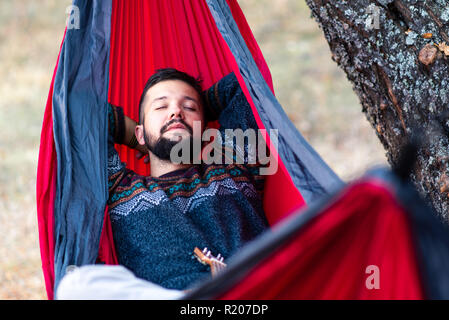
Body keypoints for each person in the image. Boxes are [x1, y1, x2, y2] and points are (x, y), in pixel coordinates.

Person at [56, 68, 270, 299]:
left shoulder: (234, 167)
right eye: (160, 107)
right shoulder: (119, 188)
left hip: (251, 292)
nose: (176, 111)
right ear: (139, 133)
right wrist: (142, 139)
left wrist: (188, 119)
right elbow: (76, 107)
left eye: (188, 107)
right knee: (77, 285)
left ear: (206, 129)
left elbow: (245, 82)